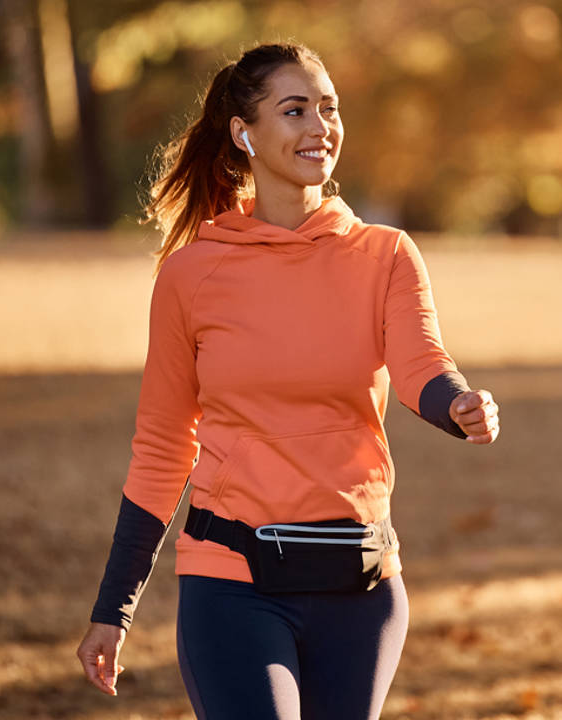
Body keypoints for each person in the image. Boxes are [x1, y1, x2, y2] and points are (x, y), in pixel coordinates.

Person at [75, 42, 500, 720]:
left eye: (328, 110)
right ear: (244, 133)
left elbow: (422, 365)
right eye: (295, 110)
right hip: (232, 583)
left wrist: (460, 406)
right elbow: (162, 447)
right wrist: (114, 609)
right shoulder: (193, 275)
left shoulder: (384, 255)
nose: (319, 128)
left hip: (360, 585)